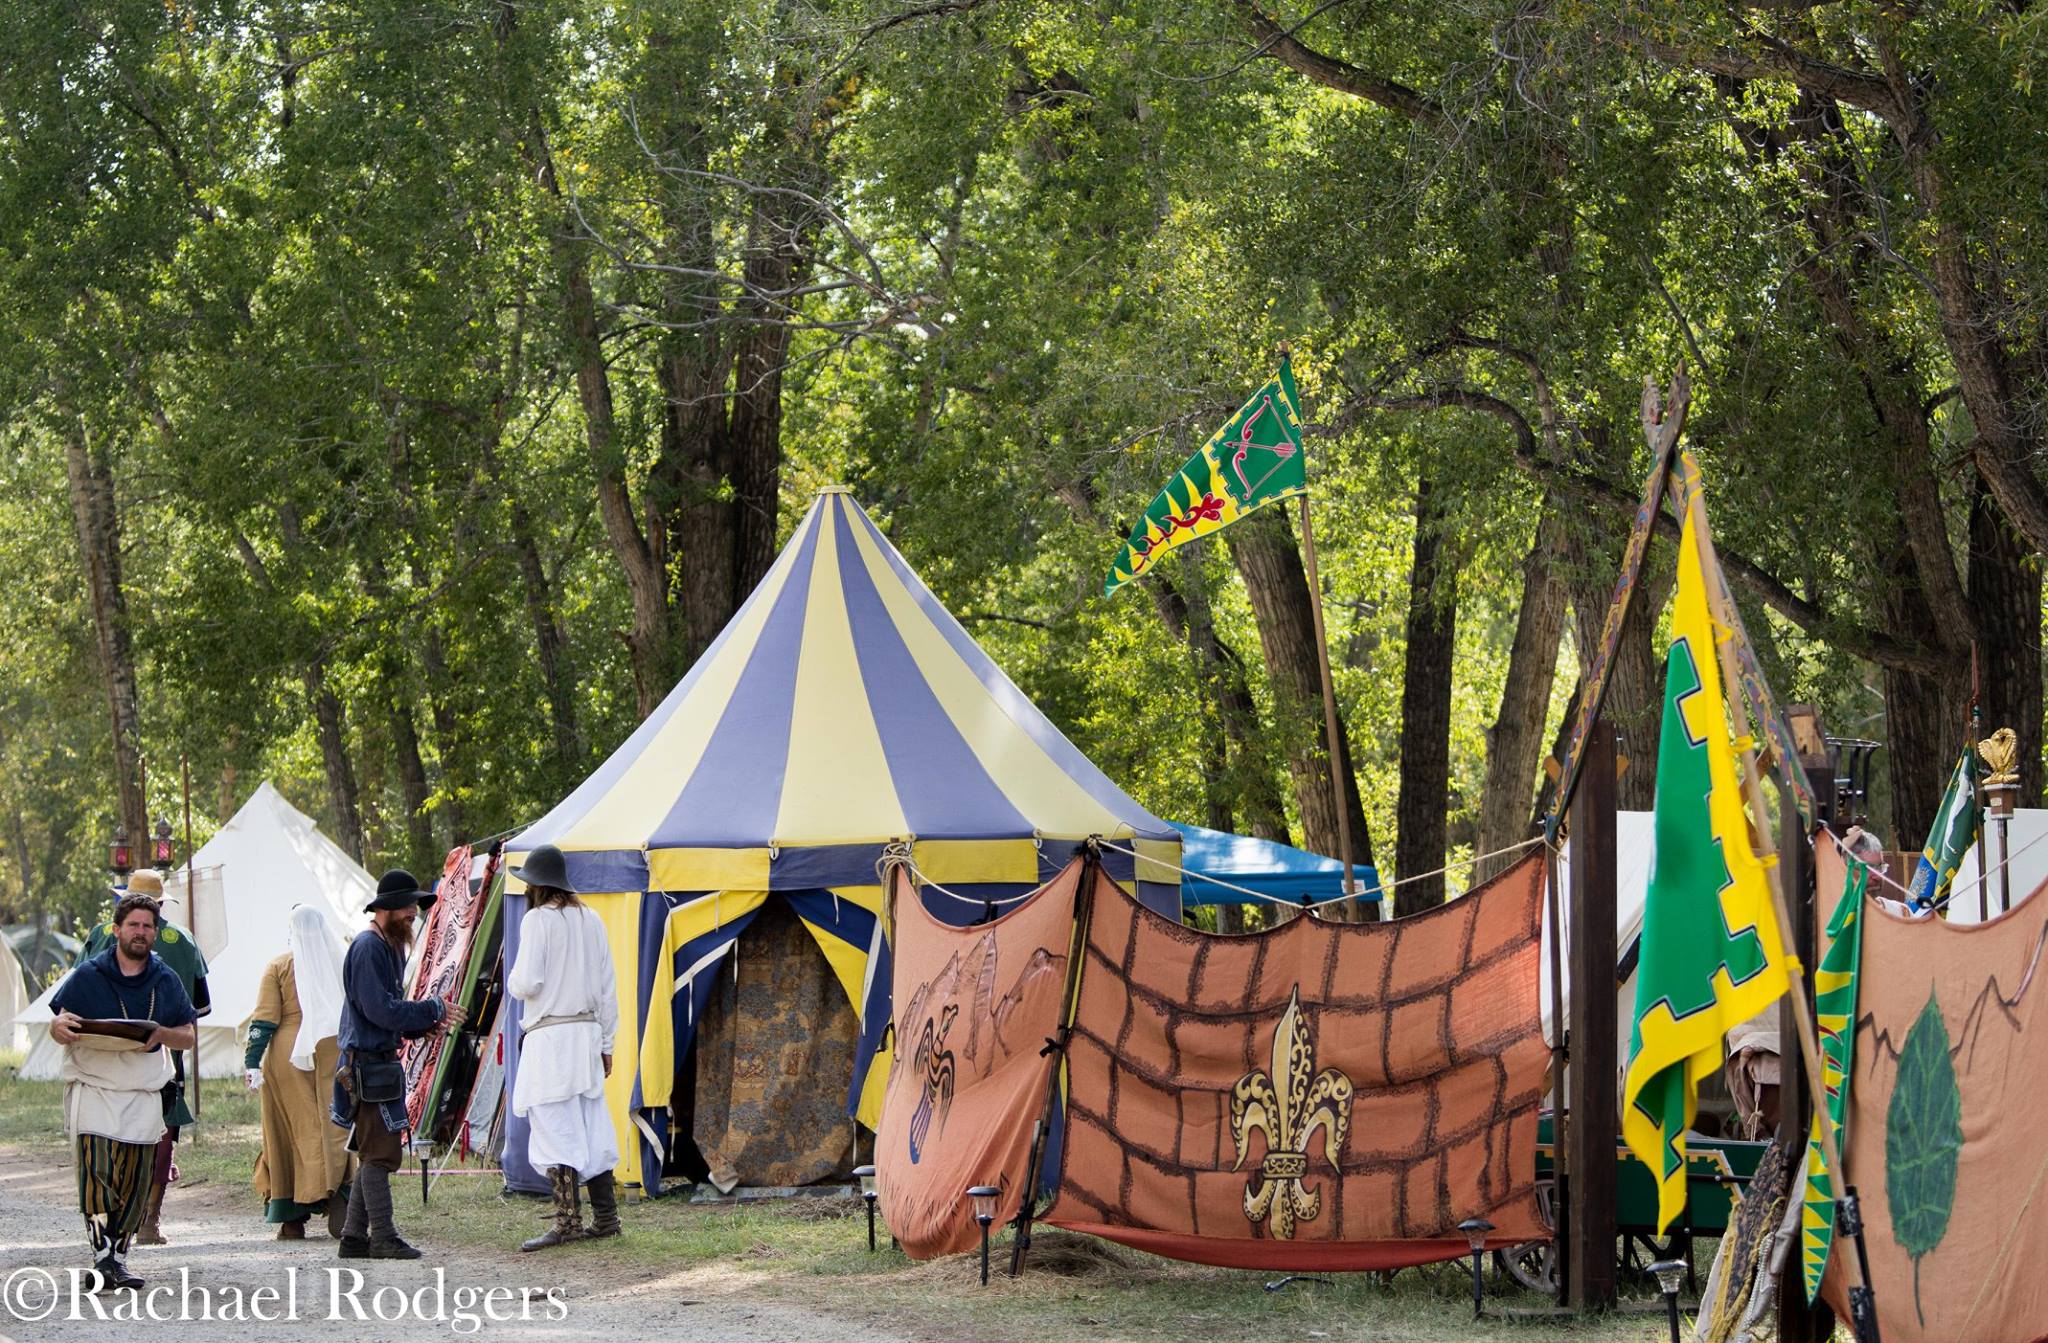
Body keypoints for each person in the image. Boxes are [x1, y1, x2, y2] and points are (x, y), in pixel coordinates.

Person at [48, 891, 198, 1290]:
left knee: (134, 1180)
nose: (141, 932)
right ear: (116, 930)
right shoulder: (89, 975)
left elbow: (187, 1036)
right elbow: (60, 1021)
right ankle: (101, 1257)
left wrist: (161, 1033)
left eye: (148, 926)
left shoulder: (164, 979)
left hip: (142, 1091)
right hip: (95, 1086)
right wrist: (58, 1029)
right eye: (133, 924)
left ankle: (118, 1257)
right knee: (97, 1172)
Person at [330, 868, 465, 1260]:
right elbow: (380, 1010)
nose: (412, 913)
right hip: (367, 1066)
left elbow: (383, 1015)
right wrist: (432, 1008)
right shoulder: (369, 947)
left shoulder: (389, 945)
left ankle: (354, 1238)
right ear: (385, 909)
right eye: (407, 907)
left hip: (378, 1062)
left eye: (414, 907)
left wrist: (417, 1030)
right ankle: (384, 1236)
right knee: (381, 1153)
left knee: (373, 1148)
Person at [74, 869, 210, 1246]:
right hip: (161, 1055)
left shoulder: (101, 934)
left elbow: (72, 1001)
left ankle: (109, 1231)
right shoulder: (182, 941)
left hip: (102, 1058)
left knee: (104, 1137)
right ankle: (150, 1219)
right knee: (161, 1129)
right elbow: (198, 1008)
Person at [506, 844, 620, 1250]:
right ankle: (606, 1217)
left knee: (556, 1126)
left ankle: (569, 1223)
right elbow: (608, 991)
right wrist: (607, 1042)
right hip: (587, 1035)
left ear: (536, 885)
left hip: (552, 1038)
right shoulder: (593, 920)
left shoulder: (538, 921)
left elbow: (527, 982)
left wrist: (512, 979)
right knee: (590, 1124)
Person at [247, 906, 355, 1238]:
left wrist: (251, 1061)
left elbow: (265, 1019)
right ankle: (339, 1192)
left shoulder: (279, 966)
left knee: (290, 1129)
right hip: (334, 1046)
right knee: (336, 1122)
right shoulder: (343, 961)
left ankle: (292, 1217)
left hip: (288, 1054)